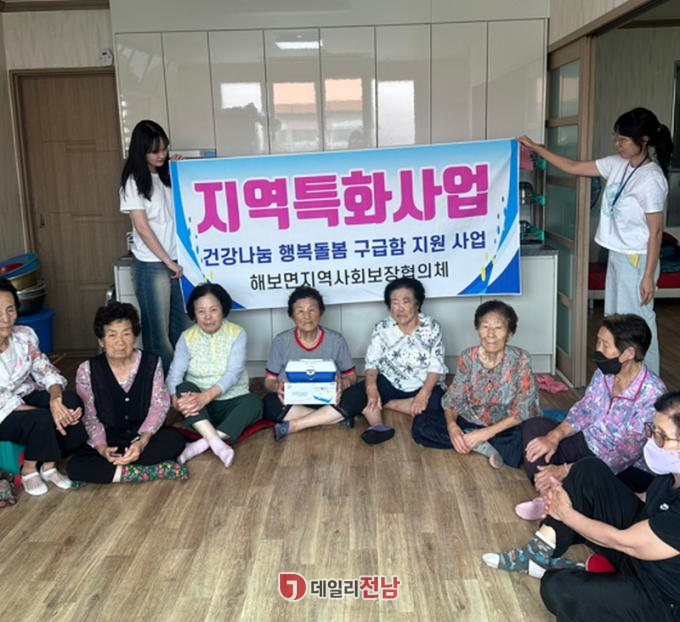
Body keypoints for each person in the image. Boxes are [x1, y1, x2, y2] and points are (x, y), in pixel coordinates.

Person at [483, 391, 680, 622]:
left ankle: (606, 580)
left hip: (660, 598)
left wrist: (566, 512)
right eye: (651, 430)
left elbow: (623, 541)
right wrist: (573, 494)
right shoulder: (671, 476)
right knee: (589, 470)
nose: (651, 441)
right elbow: (645, 501)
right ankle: (539, 552)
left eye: (660, 437)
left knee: (557, 587)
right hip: (639, 555)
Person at [519, 107, 674, 375]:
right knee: (616, 323)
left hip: (637, 260)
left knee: (636, 326)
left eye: (623, 140)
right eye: (616, 138)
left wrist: (648, 275)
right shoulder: (618, 164)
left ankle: (648, 385)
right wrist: (536, 149)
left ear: (644, 140)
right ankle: (621, 380)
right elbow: (573, 166)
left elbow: (657, 231)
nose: (618, 144)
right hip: (618, 255)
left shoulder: (651, 179)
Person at [517, 313, 666, 520]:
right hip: (589, 441)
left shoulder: (652, 394)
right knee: (534, 429)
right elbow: (584, 410)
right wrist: (554, 436)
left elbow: (624, 455)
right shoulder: (604, 374)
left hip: (624, 466)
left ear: (629, 353)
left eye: (605, 345)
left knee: (592, 477)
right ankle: (551, 496)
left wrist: (565, 469)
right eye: (598, 342)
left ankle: (556, 500)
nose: (598, 349)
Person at [66, 302, 187, 484]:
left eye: (126, 333)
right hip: (109, 440)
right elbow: (90, 417)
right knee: (75, 467)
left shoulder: (151, 362)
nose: (120, 342)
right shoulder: (87, 370)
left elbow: (159, 407)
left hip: (143, 437)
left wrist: (141, 442)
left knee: (175, 440)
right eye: (112, 335)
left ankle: (115, 471)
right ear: (101, 341)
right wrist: (102, 449)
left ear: (135, 336)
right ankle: (147, 471)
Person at [412, 300, 540, 469]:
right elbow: (453, 399)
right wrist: (452, 427)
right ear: (478, 330)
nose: (490, 334)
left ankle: (474, 440)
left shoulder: (520, 359)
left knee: (526, 441)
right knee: (421, 425)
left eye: (498, 328)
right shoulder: (468, 357)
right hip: (470, 419)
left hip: (504, 425)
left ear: (509, 334)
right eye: (485, 327)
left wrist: (484, 433)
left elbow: (525, 409)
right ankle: (483, 447)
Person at [0, 278, 86, 495]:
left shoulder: (24, 335)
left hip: (24, 395)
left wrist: (56, 400)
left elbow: (45, 370)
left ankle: (48, 465)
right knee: (43, 418)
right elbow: (4, 400)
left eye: (10, 310)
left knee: (70, 401)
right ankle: (29, 468)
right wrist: (51, 413)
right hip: (2, 409)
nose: (6, 319)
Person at [120, 119, 190, 373]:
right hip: (152, 265)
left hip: (176, 261)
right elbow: (142, 228)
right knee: (157, 334)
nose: (161, 155)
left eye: (164, 148)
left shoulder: (166, 175)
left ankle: (180, 383)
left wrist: (181, 171)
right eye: (154, 151)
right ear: (141, 151)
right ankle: (164, 387)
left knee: (182, 328)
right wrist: (168, 262)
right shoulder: (133, 182)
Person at [342, 277, 447, 445]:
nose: (400, 309)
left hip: (423, 384)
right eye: (394, 302)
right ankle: (378, 426)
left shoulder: (431, 326)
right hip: (390, 381)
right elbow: (372, 363)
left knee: (439, 406)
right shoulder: (382, 327)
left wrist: (423, 395)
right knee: (351, 396)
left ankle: (387, 404)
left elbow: (436, 365)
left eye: (406, 301)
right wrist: (371, 389)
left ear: (418, 303)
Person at [167, 282, 262, 466]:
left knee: (254, 404)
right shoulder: (186, 337)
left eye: (213, 310)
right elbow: (174, 374)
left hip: (232, 401)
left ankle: (201, 444)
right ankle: (218, 444)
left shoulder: (237, 333)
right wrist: (175, 400)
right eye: (201, 311)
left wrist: (206, 396)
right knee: (183, 387)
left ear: (223, 310)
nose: (208, 317)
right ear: (194, 313)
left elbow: (234, 372)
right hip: (198, 407)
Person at [262, 286, 357, 440]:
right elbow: (269, 381)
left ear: (321, 312)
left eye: (312, 310)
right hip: (295, 401)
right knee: (268, 403)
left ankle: (296, 424)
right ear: (292, 315)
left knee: (357, 394)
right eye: (300, 311)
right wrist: (277, 387)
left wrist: (343, 384)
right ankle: (334, 419)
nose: (306, 316)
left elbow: (351, 376)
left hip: (329, 399)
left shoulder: (336, 340)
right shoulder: (281, 341)